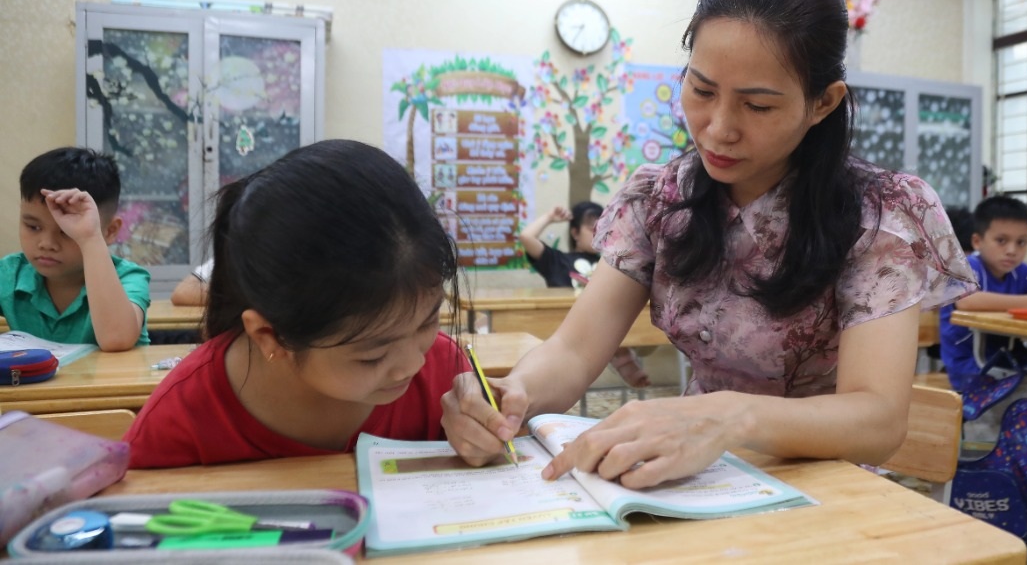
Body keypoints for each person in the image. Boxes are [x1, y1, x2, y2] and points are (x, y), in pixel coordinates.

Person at [441, 0, 976, 490]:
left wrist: (727, 417)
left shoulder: (879, 214)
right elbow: (575, 349)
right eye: (701, 91)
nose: (718, 129)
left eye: (758, 106)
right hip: (694, 477)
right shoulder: (661, 199)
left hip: (828, 488)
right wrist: (512, 396)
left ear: (823, 103)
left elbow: (877, 419)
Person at [124, 140, 467, 468]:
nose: (414, 363)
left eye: (428, 319)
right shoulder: (181, 420)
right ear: (269, 336)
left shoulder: (443, 373)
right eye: (372, 356)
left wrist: (491, 431)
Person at [0, 147, 149, 350]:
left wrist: (90, 238)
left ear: (110, 231)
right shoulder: (10, 274)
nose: (46, 243)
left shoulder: (128, 277)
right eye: (33, 227)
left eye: (67, 232)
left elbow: (116, 339)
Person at [939, 196, 1027, 390]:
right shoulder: (965, 266)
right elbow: (967, 300)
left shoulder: (1021, 271)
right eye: (1001, 240)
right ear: (977, 241)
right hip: (969, 366)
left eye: (1021, 242)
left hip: (1011, 361)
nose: (1011, 250)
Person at [519, 202, 649, 388]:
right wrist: (549, 217)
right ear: (575, 233)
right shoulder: (557, 261)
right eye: (592, 229)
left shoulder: (613, 263)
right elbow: (526, 237)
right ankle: (623, 359)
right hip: (565, 330)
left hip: (604, 326)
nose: (600, 234)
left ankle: (622, 356)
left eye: (604, 229)